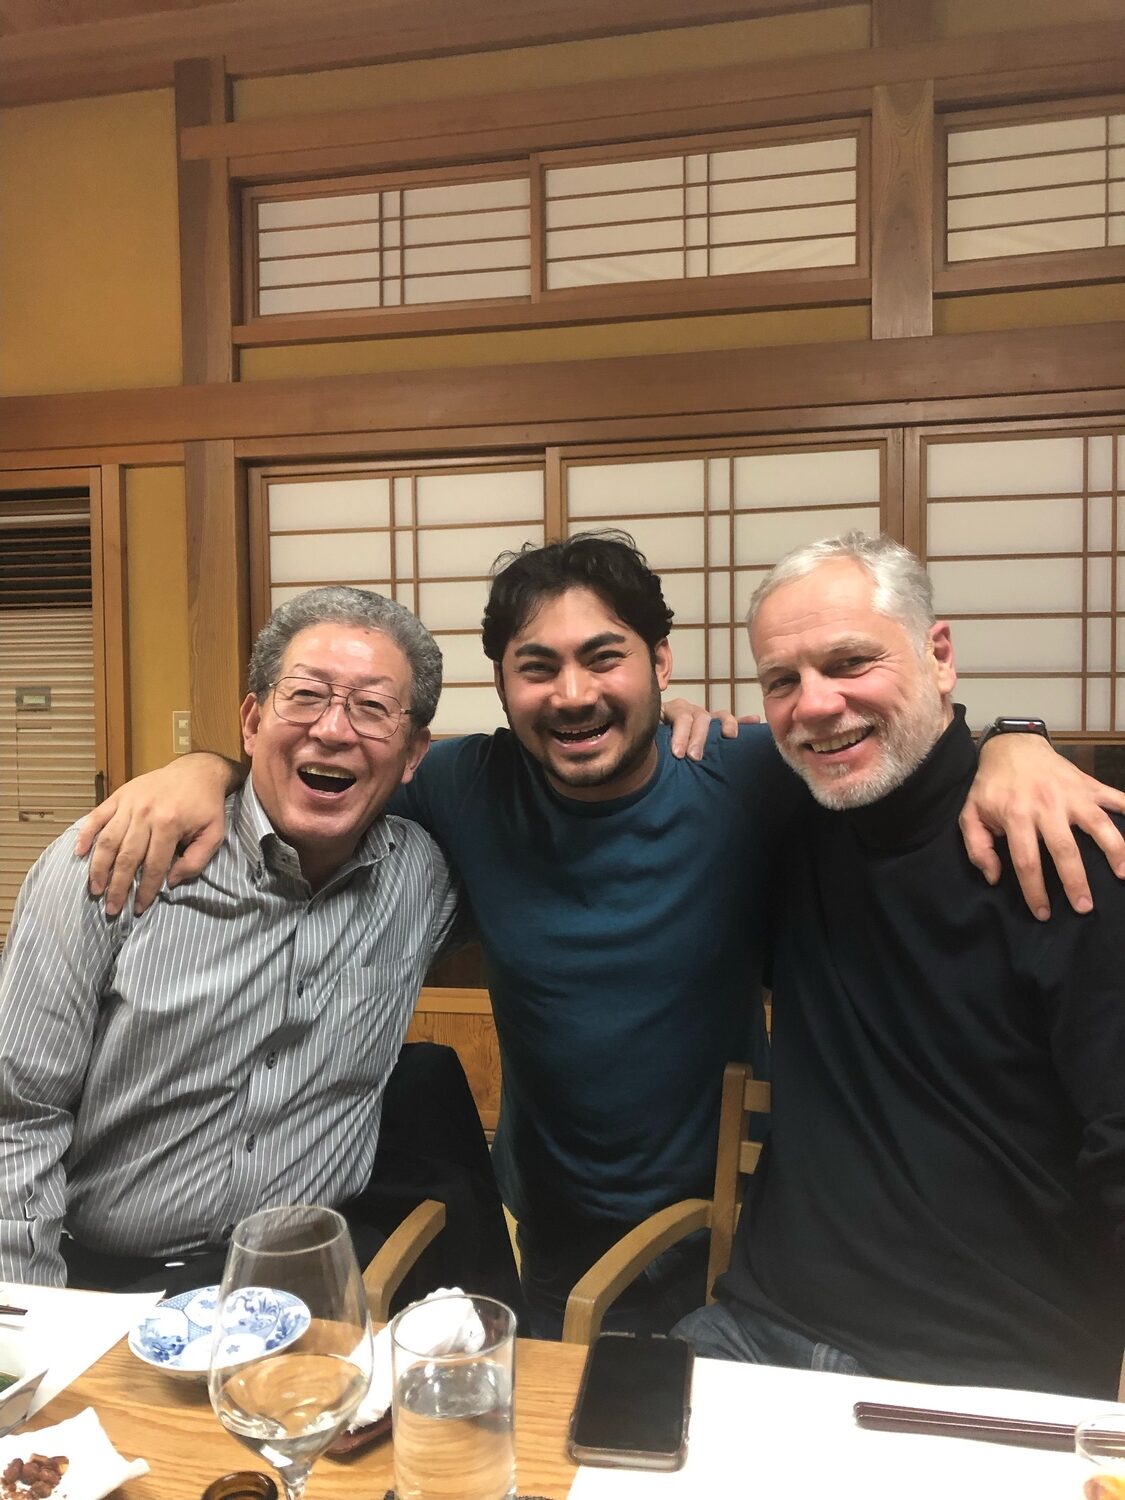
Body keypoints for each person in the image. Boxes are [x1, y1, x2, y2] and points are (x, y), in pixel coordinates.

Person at [72, 534, 1125, 1336]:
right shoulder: (464, 786)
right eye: (537, 667)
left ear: (660, 663)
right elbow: (320, 771)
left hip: (744, 1224)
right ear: (502, 688)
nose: (572, 694)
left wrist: (1014, 743)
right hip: (549, 1206)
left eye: (604, 658)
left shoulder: (752, 775)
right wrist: (201, 765)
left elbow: (883, 745)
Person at [674, 533, 1125, 1398]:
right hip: (755, 1328)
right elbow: (611, 742)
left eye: (850, 662)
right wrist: (641, 706)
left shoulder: (1063, 855)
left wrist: (1018, 738)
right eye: (781, 680)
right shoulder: (794, 811)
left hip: (987, 1369)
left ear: (939, 655)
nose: (815, 705)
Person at [0, 586, 461, 1291]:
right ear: (250, 721)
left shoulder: (419, 878)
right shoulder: (109, 862)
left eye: (372, 707)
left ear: (411, 753)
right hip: (106, 1285)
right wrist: (31, 1320)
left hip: (308, 1286)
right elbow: (18, 1117)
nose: (333, 730)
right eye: (304, 696)